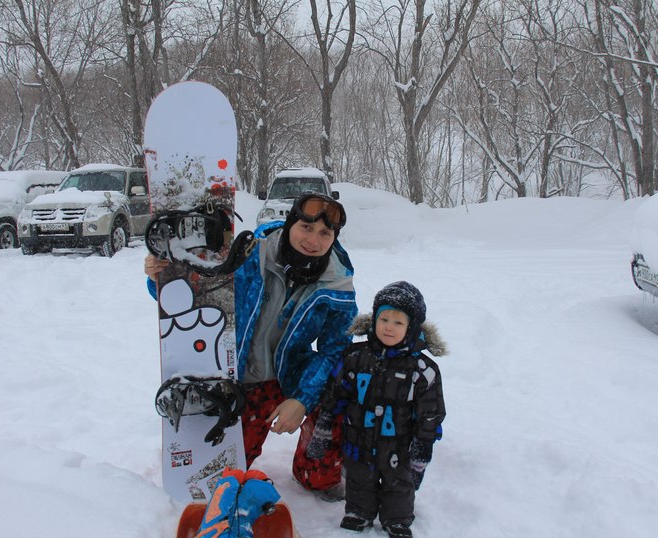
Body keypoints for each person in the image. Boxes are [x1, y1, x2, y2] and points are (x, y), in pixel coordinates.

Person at [144, 192, 357, 500]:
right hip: (239, 378)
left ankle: (316, 472)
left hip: (289, 376)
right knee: (226, 471)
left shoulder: (336, 284)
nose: (313, 240)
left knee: (342, 383)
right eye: (306, 228)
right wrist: (160, 277)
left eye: (325, 233)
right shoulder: (246, 255)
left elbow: (334, 348)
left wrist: (302, 399)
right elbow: (191, 302)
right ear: (290, 224)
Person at [305, 281, 446, 538]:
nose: (389, 328)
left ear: (412, 328)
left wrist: (422, 449)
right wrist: (323, 427)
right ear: (374, 319)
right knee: (359, 480)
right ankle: (359, 511)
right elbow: (336, 394)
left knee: (399, 485)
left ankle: (397, 519)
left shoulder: (423, 371)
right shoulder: (355, 358)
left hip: (399, 447)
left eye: (398, 323)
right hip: (359, 440)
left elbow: (431, 413)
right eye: (384, 319)